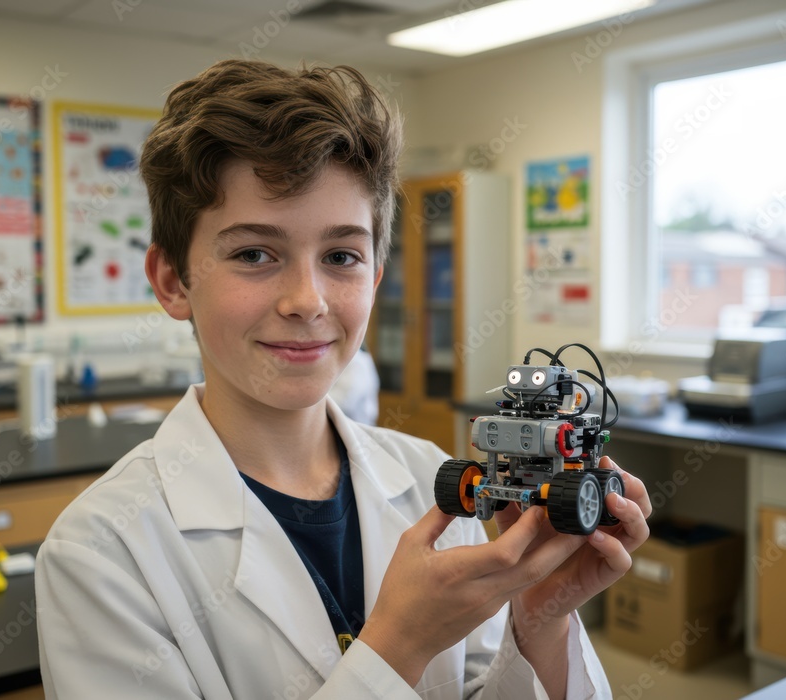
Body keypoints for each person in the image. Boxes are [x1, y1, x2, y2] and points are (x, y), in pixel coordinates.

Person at [34, 58, 652, 699]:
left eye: (341, 257)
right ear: (172, 281)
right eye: (253, 253)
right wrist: (399, 647)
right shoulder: (101, 553)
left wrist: (540, 623)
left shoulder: (427, 480)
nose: (307, 299)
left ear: (375, 277)